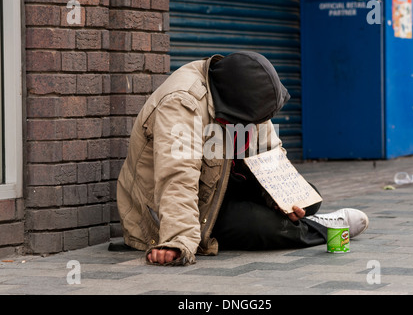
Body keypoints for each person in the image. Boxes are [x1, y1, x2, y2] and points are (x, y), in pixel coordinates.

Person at [116, 51, 369, 266]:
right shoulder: (182, 103)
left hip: (221, 183)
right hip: (180, 208)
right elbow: (177, 178)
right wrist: (177, 241)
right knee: (262, 227)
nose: (258, 123)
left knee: (309, 198)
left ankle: (301, 218)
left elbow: (270, 156)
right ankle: (323, 229)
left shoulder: (241, 94)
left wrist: (280, 200)